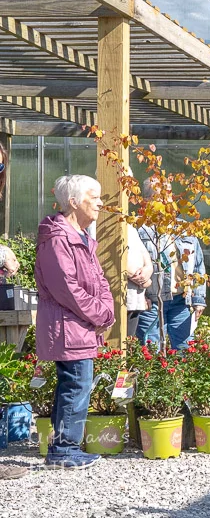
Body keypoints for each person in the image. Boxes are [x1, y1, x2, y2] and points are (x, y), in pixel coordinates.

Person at [35, 175, 114, 469]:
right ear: (74, 202)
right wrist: (100, 313)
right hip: (68, 326)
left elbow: (100, 280)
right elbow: (66, 288)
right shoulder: (58, 239)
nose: (100, 203)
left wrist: (106, 310)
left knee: (74, 384)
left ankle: (63, 447)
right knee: (76, 384)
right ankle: (64, 450)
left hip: (79, 325)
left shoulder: (81, 237)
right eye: (94, 197)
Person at [136, 180, 208, 350]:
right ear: (147, 200)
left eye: (168, 195)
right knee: (150, 352)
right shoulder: (139, 229)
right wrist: (139, 297)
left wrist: (198, 299)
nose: (165, 200)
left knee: (185, 350)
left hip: (181, 301)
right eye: (159, 196)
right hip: (151, 302)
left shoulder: (184, 229)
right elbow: (130, 266)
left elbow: (198, 267)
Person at [123, 223, 153, 335]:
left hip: (135, 299)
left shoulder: (129, 225)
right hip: (120, 300)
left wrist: (148, 269)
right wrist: (141, 279)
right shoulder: (105, 222)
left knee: (128, 341)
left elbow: (143, 252)